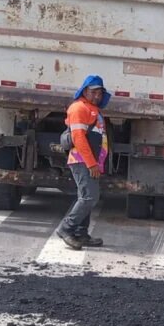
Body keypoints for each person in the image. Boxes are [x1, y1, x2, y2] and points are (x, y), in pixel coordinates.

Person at [56, 75, 111, 250]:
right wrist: (91, 164)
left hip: (89, 161)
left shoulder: (93, 109)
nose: (97, 96)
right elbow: (79, 138)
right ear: (85, 91)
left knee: (85, 197)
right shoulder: (79, 108)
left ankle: (81, 233)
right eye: (93, 92)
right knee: (90, 197)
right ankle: (66, 228)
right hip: (82, 160)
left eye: (100, 93)